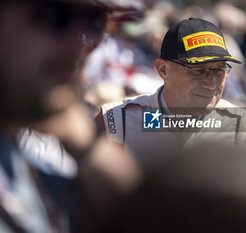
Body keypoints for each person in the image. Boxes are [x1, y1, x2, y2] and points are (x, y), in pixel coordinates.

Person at [0, 0, 141, 232]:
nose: (78, 42)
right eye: (56, 15)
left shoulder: (25, 162)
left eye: (94, 22)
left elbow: (148, 217)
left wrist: (86, 142)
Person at [96, 18, 246, 160]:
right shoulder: (115, 123)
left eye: (219, 71)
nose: (211, 83)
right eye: (198, 71)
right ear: (163, 70)